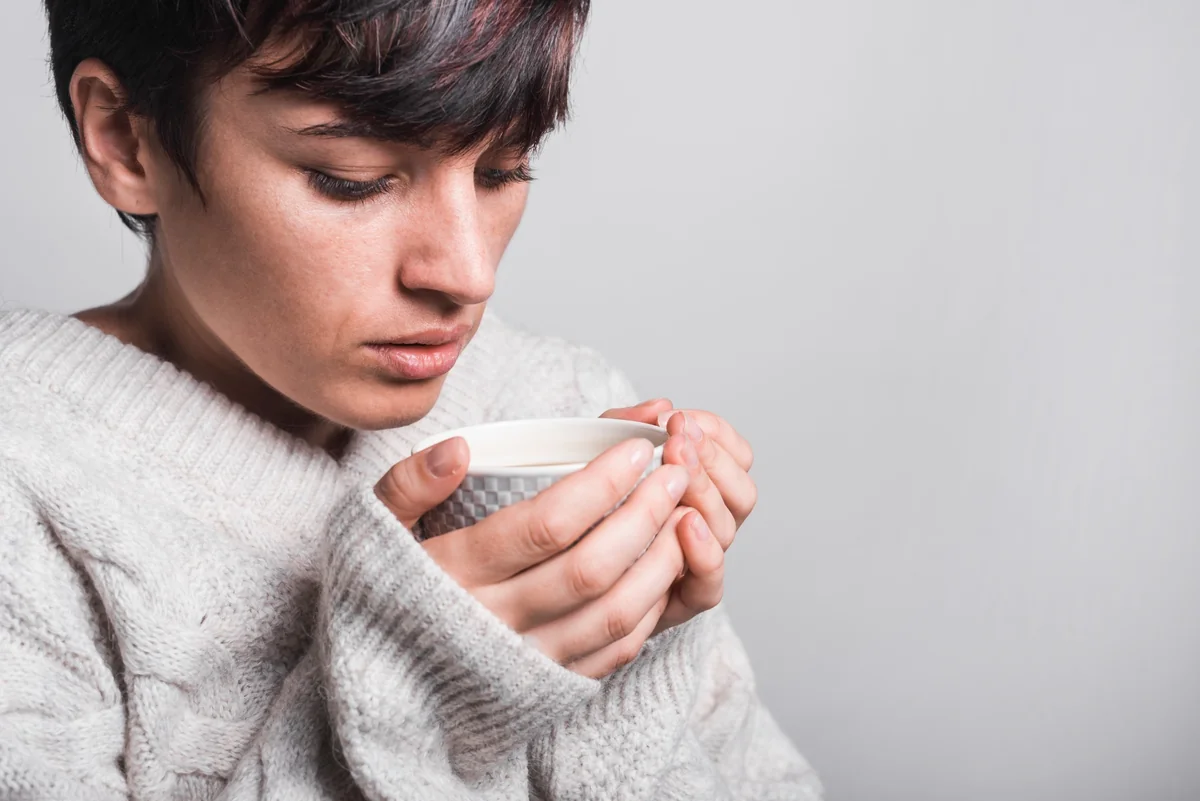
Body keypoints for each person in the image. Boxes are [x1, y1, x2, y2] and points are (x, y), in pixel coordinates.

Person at [0, 1, 824, 798]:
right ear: (123, 137)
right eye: (353, 180)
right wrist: (408, 698)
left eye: (504, 168)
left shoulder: (561, 411)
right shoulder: (26, 484)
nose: (470, 273)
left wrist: (626, 655)